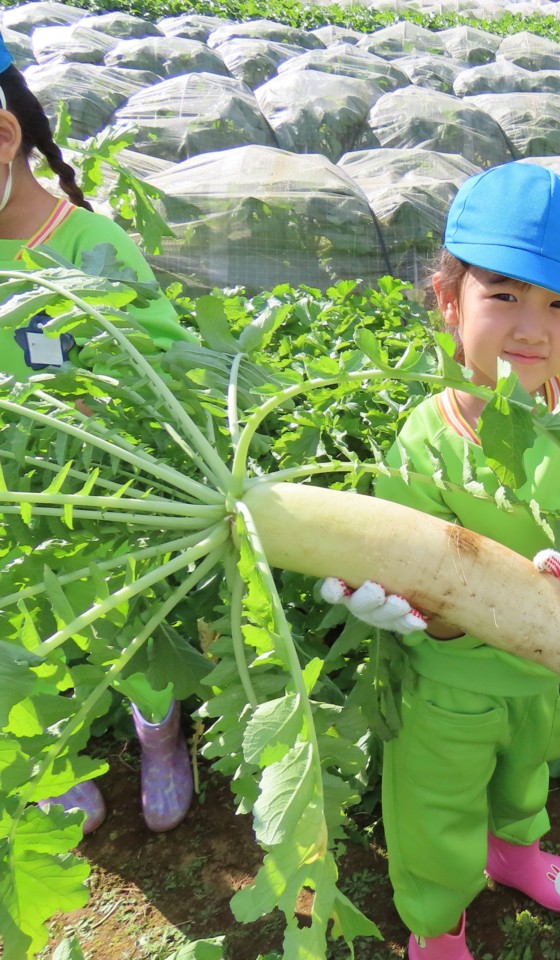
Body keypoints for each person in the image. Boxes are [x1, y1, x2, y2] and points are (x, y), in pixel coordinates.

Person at [320, 162, 560, 960]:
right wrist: (413, 610)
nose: (533, 329)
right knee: (437, 806)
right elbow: (413, 572)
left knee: (529, 775)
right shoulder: (425, 440)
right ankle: (435, 921)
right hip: (452, 689)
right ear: (449, 300)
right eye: (505, 295)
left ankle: (513, 848)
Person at [0, 35, 196, 834]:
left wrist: (102, 415)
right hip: (11, 518)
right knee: (27, 640)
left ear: (4, 136)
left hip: (106, 505)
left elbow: (165, 369)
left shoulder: (93, 249)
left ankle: (161, 740)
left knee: (131, 628)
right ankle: (53, 757)